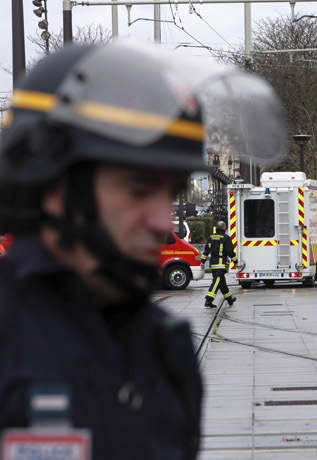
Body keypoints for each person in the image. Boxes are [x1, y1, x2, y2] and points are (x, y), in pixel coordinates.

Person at [0, 42, 285, 460]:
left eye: (170, 193)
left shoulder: (162, 344)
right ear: (55, 186)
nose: (161, 221)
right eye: (139, 189)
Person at [201, 221, 237, 308]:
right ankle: (208, 300)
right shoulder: (226, 238)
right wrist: (235, 261)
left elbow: (206, 251)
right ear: (224, 228)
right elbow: (230, 251)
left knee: (222, 283)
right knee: (217, 282)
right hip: (221, 264)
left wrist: (202, 261)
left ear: (216, 227)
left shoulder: (210, 238)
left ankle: (229, 300)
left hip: (213, 264)